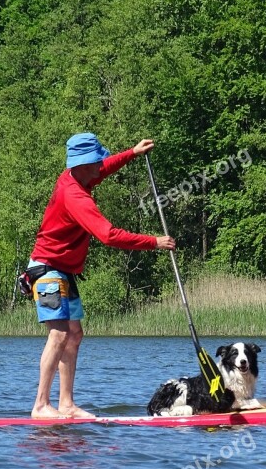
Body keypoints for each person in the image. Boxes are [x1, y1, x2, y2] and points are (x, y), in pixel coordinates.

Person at [27, 133, 175, 418]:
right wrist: (153, 242)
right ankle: (41, 405)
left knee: (74, 334)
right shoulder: (75, 196)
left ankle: (66, 404)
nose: (100, 166)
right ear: (82, 164)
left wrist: (132, 152)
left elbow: (104, 169)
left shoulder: (78, 176)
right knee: (58, 334)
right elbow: (107, 235)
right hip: (46, 271)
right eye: (96, 161)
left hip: (64, 272)